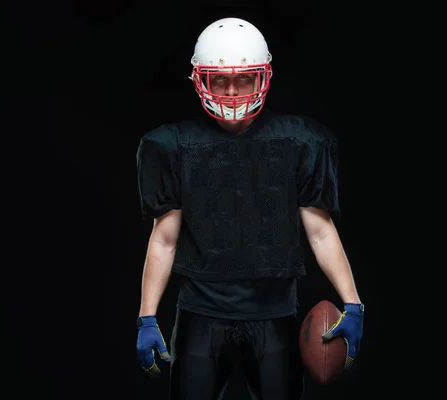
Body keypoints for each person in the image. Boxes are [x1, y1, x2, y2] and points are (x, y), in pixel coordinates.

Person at [135, 17, 364, 400]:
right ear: (199, 79)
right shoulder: (173, 146)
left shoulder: (299, 141)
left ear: (263, 77)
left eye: (243, 78)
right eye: (220, 79)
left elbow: (320, 230)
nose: (232, 90)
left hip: (275, 316)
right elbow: (164, 239)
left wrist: (353, 303)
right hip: (201, 316)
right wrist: (146, 316)